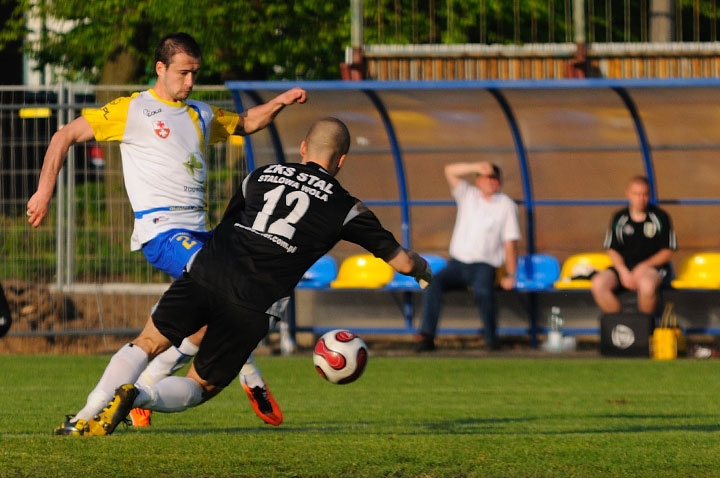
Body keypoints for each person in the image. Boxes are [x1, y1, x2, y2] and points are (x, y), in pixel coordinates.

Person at [52, 117, 433, 436]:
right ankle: (140, 397)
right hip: (254, 300)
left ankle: (84, 417)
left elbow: (228, 225)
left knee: (147, 342)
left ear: (303, 148)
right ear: (342, 160)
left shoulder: (259, 175)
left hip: (208, 270)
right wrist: (423, 269)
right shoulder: (348, 207)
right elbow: (400, 262)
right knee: (203, 385)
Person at [27, 33, 306, 427]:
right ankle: (251, 376)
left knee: (208, 317)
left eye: (195, 73)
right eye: (183, 73)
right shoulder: (132, 109)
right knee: (228, 290)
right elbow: (64, 135)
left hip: (201, 234)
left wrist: (278, 103)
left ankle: (142, 389)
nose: (189, 82)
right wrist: (43, 190)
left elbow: (246, 123)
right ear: (160, 69)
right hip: (162, 231)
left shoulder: (200, 113)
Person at [416, 161, 520, 352]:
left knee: (483, 291)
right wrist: (476, 167)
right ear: (478, 180)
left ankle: (491, 340)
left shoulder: (506, 205)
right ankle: (427, 337)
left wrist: (511, 274)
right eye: (487, 177)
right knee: (433, 284)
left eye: (495, 178)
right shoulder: (468, 195)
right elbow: (449, 170)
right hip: (457, 264)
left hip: (485, 266)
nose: (491, 182)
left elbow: (510, 243)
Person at [591, 175, 677, 315]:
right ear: (628, 194)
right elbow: (612, 249)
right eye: (636, 194)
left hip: (651, 269)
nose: (641, 198)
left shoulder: (660, 217)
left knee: (647, 285)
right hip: (624, 269)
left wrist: (643, 267)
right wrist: (623, 271)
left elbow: (667, 251)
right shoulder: (619, 218)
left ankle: (644, 328)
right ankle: (623, 325)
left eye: (644, 194)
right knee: (598, 284)